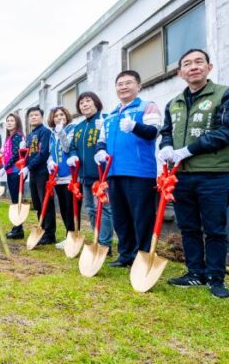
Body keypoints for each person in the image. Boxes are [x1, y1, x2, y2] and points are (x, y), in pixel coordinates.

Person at [159, 49, 229, 298]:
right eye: (187, 64)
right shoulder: (174, 102)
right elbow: (166, 131)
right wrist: (166, 145)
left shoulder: (223, 94)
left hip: (214, 173)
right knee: (188, 226)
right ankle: (195, 272)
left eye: (199, 62)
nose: (193, 67)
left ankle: (215, 276)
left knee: (215, 228)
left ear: (209, 67)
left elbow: (225, 131)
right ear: (180, 73)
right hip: (182, 175)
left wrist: (189, 149)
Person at [95, 70, 161, 267]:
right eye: (120, 84)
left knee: (141, 216)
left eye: (128, 83)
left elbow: (153, 132)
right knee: (120, 216)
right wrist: (99, 151)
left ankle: (142, 255)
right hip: (113, 172)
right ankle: (125, 255)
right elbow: (102, 140)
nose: (123, 87)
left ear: (138, 86)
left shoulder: (147, 107)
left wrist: (135, 126)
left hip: (140, 172)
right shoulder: (110, 115)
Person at [67, 91, 114, 253]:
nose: (84, 105)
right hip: (85, 176)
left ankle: (105, 244)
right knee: (91, 209)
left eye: (88, 101)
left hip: (102, 176)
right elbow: (73, 146)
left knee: (105, 209)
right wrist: (73, 156)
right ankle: (97, 236)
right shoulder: (79, 127)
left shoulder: (106, 119)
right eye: (81, 103)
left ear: (96, 102)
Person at [46, 107, 78, 250]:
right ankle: (68, 235)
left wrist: (62, 133)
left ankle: (73, 236)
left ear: (66, 115)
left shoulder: (72, 129)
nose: (59, 117)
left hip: (70, 175)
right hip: (58, 176)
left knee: (71, 208)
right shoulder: (52, 134)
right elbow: (51, 152)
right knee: (64, 208)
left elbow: (67, 148)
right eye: (56, 115)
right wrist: (50, 162)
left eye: (62, 114)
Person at [25, 106, 56, 245]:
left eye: (36, 115)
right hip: (33, 172)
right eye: (31, 115)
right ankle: (42, 228)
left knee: (46, 202)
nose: (33, 117)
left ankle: (49, 234)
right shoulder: (30, 135)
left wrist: (29, 166)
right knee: (37, 203)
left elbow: (43, 153)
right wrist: (25, 166)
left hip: (42, 172)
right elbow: (28, 154)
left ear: (41, 117)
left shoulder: (45, 132)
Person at [0, 113, 27, 239]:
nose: (9, 123)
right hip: (11, 171)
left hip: (16, 171)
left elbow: (16, 154)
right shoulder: (9, 137)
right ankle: (17, 227)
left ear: (17, 123)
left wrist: (5, 167)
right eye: (8, 121)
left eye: (12, 121)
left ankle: (18, 229)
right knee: (14, 200)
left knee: (17, 201)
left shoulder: (17, 136)